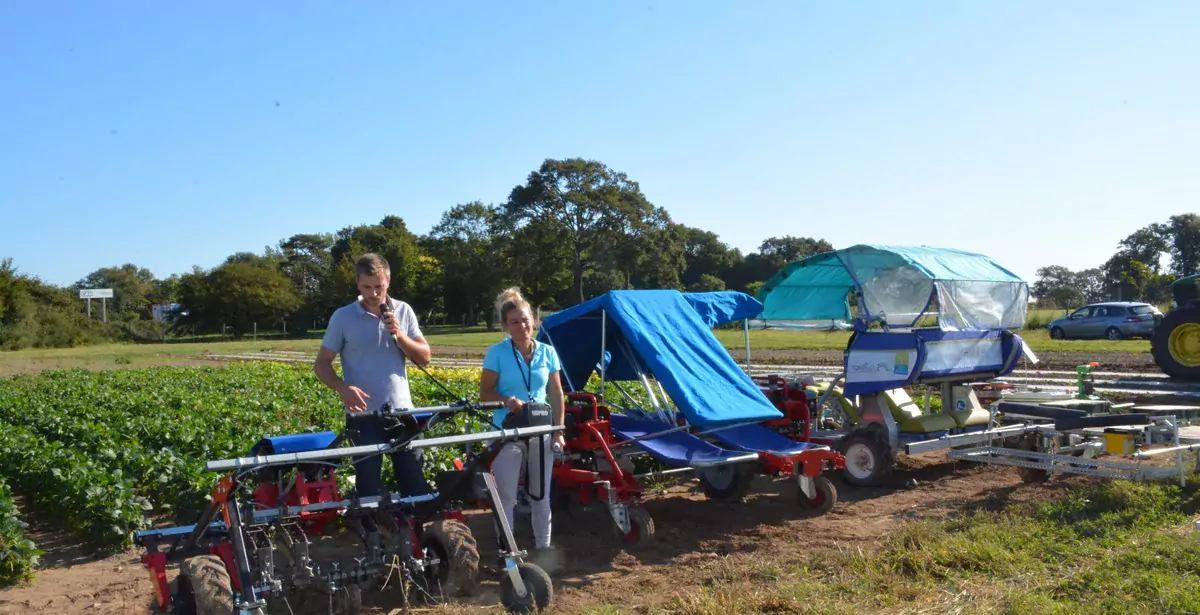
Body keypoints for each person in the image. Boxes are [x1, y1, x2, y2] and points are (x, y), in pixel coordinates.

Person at [314, 252, 433, 498]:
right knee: (368, 488)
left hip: (403, 413)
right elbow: (322, 364)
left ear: (388, 281)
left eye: (379, 286)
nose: (374, 293)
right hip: (364, 416)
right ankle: (375, 532)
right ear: (358, 284)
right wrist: (342, 387)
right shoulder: (343, 317)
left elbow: (425, 357)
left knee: (414, 483)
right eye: (367, 287)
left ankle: (415, 531)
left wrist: (400, 336)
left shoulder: (403, 311)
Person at [479, 287, 565, 557]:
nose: (522, 326)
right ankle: (508, 552)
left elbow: (556, 393)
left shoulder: (548, 353)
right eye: (514, 322)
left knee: (541, 495)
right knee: (506, 497)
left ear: (534, 320)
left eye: (526, 320)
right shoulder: (497, 353)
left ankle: (544, 549)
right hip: (509, 431)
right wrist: (507, 400)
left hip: (541, 430)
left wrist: (559, 430)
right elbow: (485, 393)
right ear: (505, 326)